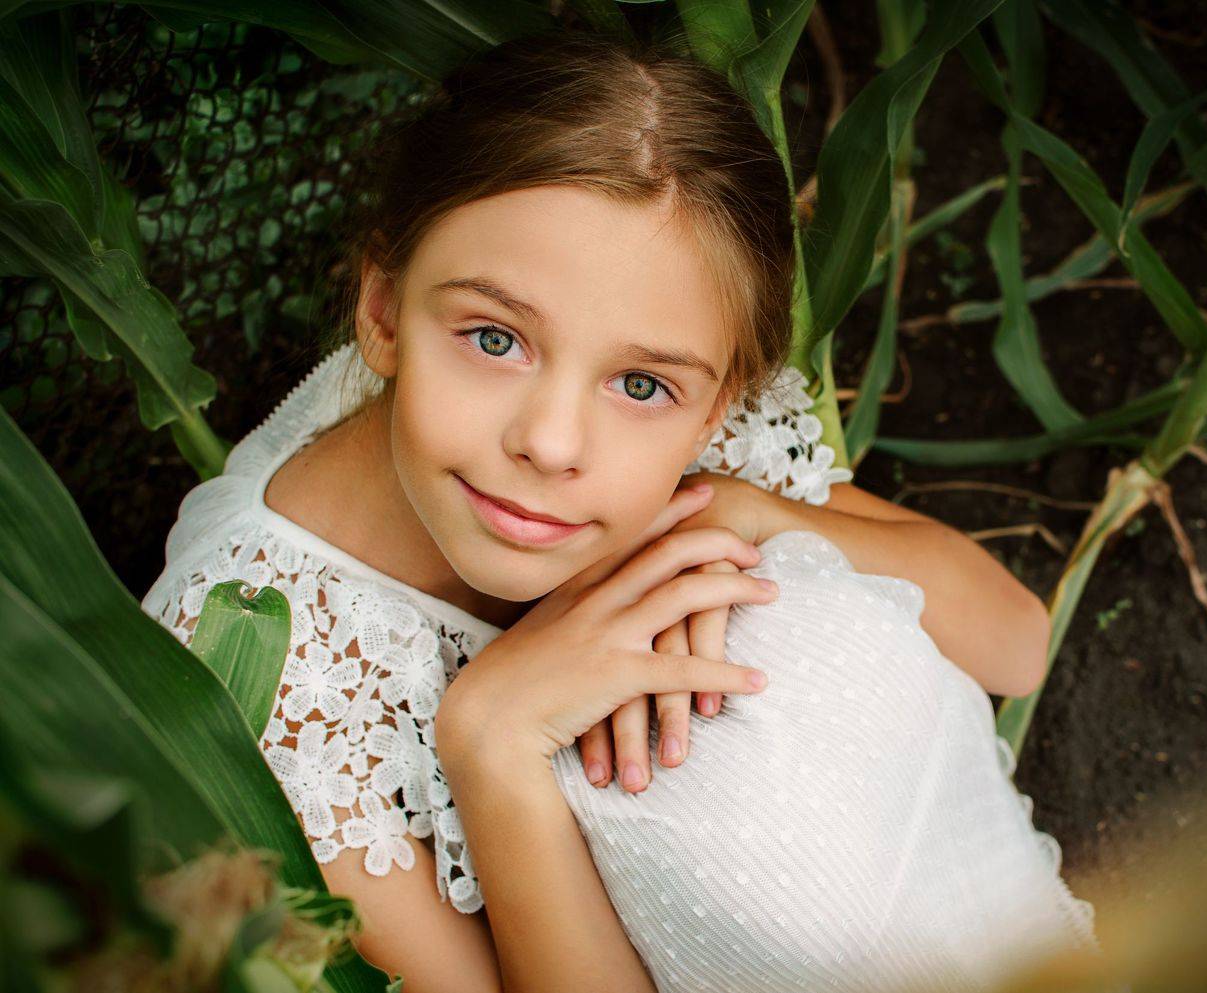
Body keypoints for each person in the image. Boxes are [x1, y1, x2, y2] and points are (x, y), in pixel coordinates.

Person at [141, 27, 1101, 993]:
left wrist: (745, 509)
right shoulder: (266, 684)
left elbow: (1015, 644)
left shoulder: (685, 429)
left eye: (641, 386)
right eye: (494, 338)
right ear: (382, 312)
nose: (553, 443)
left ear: (718, 405)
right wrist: (492, 744)